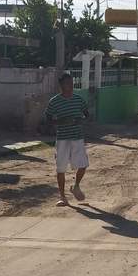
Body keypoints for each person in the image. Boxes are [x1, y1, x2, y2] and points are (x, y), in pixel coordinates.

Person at [45, 72, 89, 206]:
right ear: (61, 85)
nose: (70, 85)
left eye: (71, 83)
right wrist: (60, 122)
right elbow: (48, 119)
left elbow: (87, 115)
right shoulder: (54, 101)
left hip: (77, 137)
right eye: (67, 83)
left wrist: (81, 120)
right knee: (60, 168)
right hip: (63, 139)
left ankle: (76, 186)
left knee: (83, 165)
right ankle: (62, 197)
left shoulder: (79, 100)